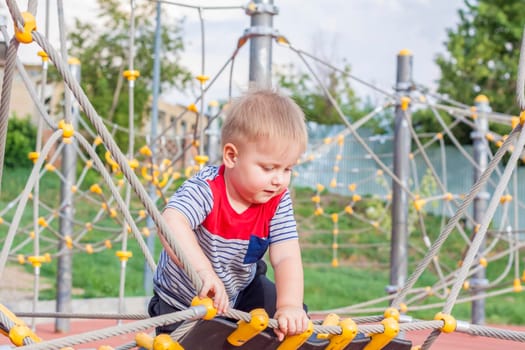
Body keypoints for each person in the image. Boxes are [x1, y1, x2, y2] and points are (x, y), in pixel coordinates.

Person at [148, 88, 309, 341]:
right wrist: (203, 272)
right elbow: (171, 222)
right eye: (268, 168)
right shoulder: (206, 189)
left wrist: (290, 305)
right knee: (187, 343)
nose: (279, 179)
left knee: (282, 311)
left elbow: (286, 254)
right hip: (182, 299)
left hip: (239, 292)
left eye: (287, 168)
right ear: (232, 156)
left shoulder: (276, 199)